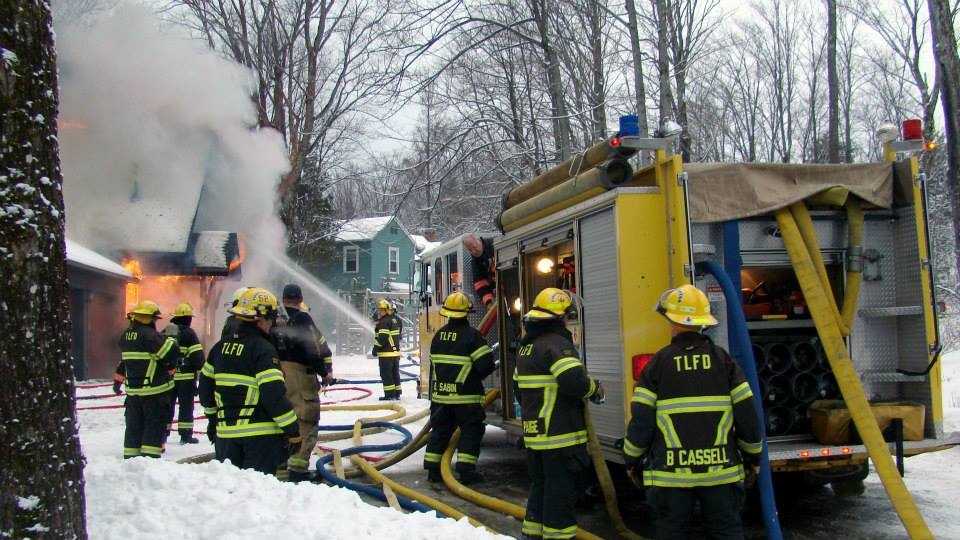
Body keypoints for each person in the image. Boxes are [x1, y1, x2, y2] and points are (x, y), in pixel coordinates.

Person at [622, 284, 762, 540]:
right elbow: (747, 417)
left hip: (670, 478)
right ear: (703, 323)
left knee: (670, 533)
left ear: (672, 322)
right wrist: (754, 457)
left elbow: (641, 421)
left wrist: (631, 460)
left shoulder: (657, 365)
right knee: (727, 532)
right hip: (721, 475)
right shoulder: (724, 361)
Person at [514, 288, 604, 540]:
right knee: (561, 493)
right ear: (559, 317)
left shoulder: (526, 348)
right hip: (560, 436)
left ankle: (532, 533)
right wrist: (595, 389)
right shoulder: (557, 345)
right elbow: (574, 382)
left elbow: (519, 391)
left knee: (541, 486)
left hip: (536, 436)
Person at [199, 287, 301, 475]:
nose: (272, 323)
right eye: (270, 318)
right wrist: (293, 431)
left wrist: (214, 420)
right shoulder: (263, 350)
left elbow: (205, 390)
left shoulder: (219, 348)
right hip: (259, 439)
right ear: (260, 319)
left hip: (226, 438)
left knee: (230, 494)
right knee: (256, 496)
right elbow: (273, 396)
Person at [422, 292, 496, 485]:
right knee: (471, 432)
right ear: (467, 312)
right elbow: (485, 366)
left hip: (441, 399)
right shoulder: (472, 336)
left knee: (440, 432)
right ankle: (466, 471)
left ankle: (433, 470)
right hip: (466, 399)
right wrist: (472, 379)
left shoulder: (438, 336)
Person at [274, 283, 334, 481]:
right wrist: (324, 372)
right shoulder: (302, 318)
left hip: (277, 373)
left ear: (283, 299)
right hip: (300, 375)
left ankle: (280, 463)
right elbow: (313, 348)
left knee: (282, 416)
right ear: (300, 300)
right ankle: (298, 469)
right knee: (306, 418)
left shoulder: (274, 319)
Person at [114, 300, 178, 459]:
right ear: (149, 318)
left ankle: (131, 458)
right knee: (153, 427)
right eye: (155, 319)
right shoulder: (150, 336)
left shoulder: (125, 336)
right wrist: (170, 339)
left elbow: (125, 362)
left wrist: (117, 382)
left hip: (133, 394)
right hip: (154, 393)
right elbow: (169, 353)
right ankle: (149, 461)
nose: (156, 322)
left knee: (134, 427)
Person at [164, 302, 205, 444]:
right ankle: (185, 435)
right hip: (186, 379)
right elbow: (198, 358)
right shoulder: (189, 333)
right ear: (188, 318)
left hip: (168, 378)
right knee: (186, 406)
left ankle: (163, 433)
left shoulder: (165, 331)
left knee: (167, 406)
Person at [372, 298, 403, 400]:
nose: (379, 312)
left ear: (386, 310)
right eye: (379, 310)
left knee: (386, 374)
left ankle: (389, 395)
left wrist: (375, 348)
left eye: (381, 310)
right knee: (395, 374)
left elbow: (383, 337)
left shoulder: (384, 322)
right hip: (394, 353)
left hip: (386, 354)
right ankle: (397, 392)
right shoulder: (393, 320)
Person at [463, 234, 495, 307]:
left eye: (474, 247)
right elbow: (480, 284)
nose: (474, 251)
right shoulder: (475, 264)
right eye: (470, 250)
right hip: (498, 293)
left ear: (478, 240)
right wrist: (489, 302)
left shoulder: (493, 244)